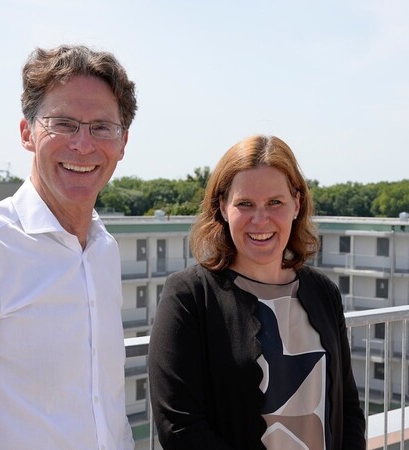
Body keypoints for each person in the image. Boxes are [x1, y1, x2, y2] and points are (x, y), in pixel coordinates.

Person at [0, 44, 138, 449]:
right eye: (64, 123)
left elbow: (107, 409)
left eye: (102, 127)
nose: (83, 145)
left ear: (122, 143)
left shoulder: (103, 249)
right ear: (26, 134)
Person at [148, 135, 366, 449]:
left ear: (297, 204)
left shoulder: (323, 292)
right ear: (223, 207)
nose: (260, 219)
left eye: (275, 202)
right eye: (245, 204)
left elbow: (348, 408)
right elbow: (179, 426)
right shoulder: (189, 297)